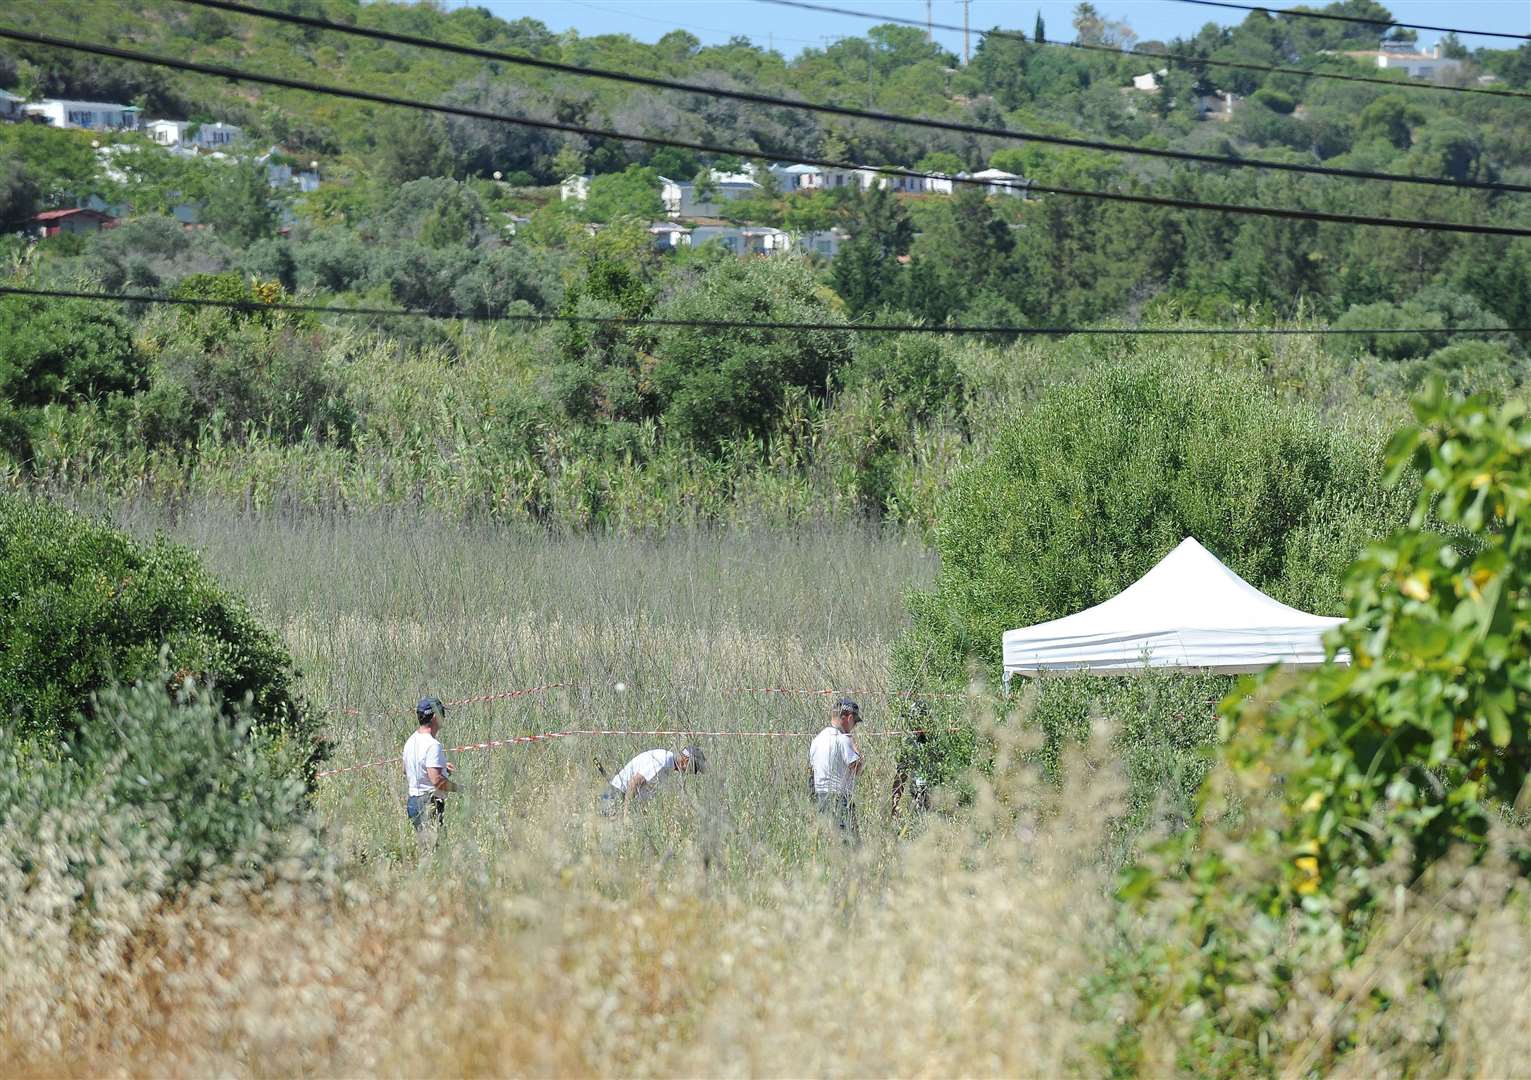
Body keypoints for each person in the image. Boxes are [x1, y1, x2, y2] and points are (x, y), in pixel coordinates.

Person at [809, 697, 864, 841]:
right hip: (840, 799)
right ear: (849, 718)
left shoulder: (817, 739)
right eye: (855, 722)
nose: (854, 726)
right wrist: (854, 745)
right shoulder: (843, 739)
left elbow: (812, 770)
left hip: (821, 799)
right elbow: (857, 768)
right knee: (849, 845)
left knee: (828, 843)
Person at [402, 697, 455, 837]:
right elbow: (437, 781)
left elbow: (406, 769)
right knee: (437, 851)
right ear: (435, 717)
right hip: (428, 803)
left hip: (413, 803)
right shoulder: (432, 745)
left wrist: (442, 767)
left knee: (426, 850)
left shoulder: (411, 740)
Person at [600, 745, 706, 815]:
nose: (693, 772)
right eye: (695, 768)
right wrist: (626, 815)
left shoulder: (668, 764)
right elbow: (633, 782)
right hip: (614, 796)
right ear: (685, 761)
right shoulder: (663, 761)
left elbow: (642, 789)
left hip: (621, 796)